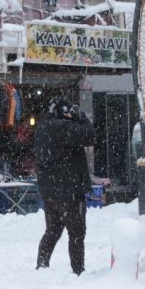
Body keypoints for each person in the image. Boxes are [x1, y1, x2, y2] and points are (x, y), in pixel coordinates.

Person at [33, 99, 95, 275]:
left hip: (49, 191)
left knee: (53, 230)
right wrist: (81, 117)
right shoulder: (63, 127)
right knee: (76, 233)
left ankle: (42, 265)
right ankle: (78, 271)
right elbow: (89, 136)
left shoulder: (42, 128)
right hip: (69, 191)